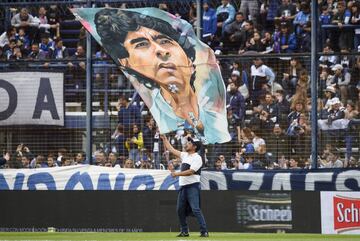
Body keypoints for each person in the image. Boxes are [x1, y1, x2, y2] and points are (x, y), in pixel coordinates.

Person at [90, 8, 231, 144]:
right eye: (142, 44)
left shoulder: (214, 101)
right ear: (126, 62)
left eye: (164, 41)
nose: (161, 51)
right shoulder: (158, 112)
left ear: (188, 57)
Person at [161, 135, 209, 237]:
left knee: (196, 209)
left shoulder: (197, 158)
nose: (187, 144)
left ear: (195, 147)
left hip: (192, 186)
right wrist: (165, 139)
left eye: (190, 143)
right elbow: (171, 149)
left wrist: (176, 174)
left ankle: (204, 231)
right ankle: (184, 231)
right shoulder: (184, 155)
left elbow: (191, 171)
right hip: (183, 187)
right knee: (180, 210)